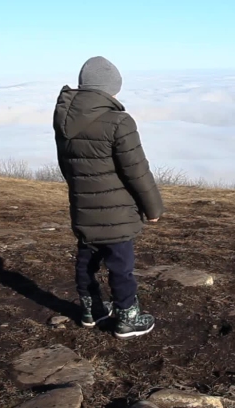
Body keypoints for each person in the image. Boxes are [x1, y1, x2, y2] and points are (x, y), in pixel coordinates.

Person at [52, 56, 164, 339]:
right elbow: (137, 171)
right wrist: (153, 208)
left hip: (83, 207)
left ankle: (91, 311)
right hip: (117, 214)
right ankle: (127, 317)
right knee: (120, 266)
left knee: (85, 261)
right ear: (109, 89)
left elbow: (66, 166)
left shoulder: (64, 118)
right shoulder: (119, 121)